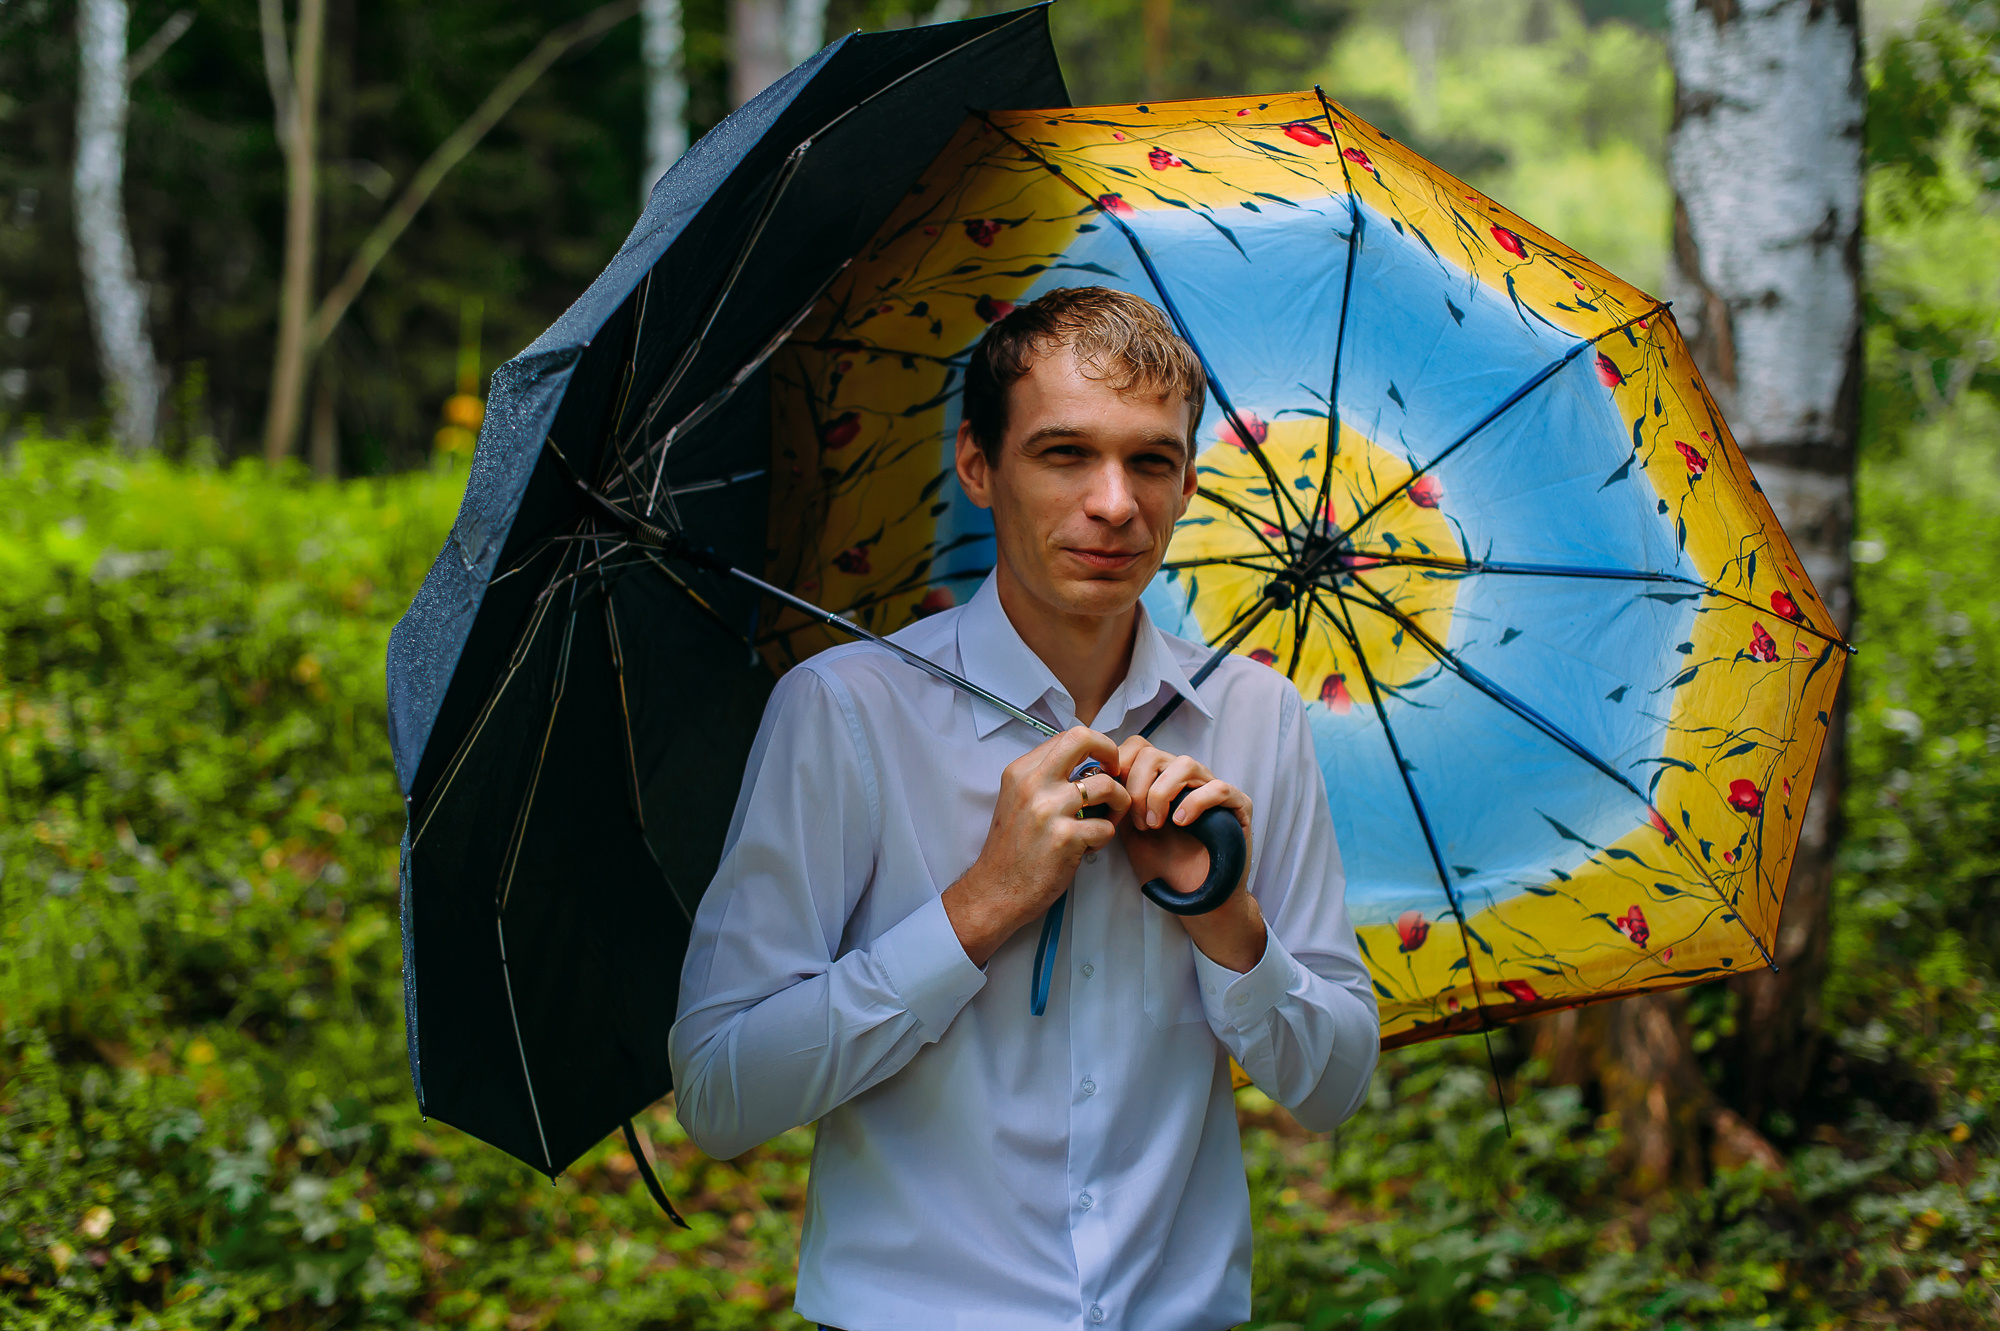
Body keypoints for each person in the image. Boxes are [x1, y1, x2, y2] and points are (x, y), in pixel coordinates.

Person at [669, 286, 1378, 1331]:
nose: (1112, 503)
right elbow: (722, 1093)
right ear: (976, 466)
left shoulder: (1251, 715)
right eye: (1062, 454)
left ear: (1187, 482)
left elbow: (1331, 1083)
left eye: (1150, 460)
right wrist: (979, 904)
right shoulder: (845, 709)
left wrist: (1224, 920)